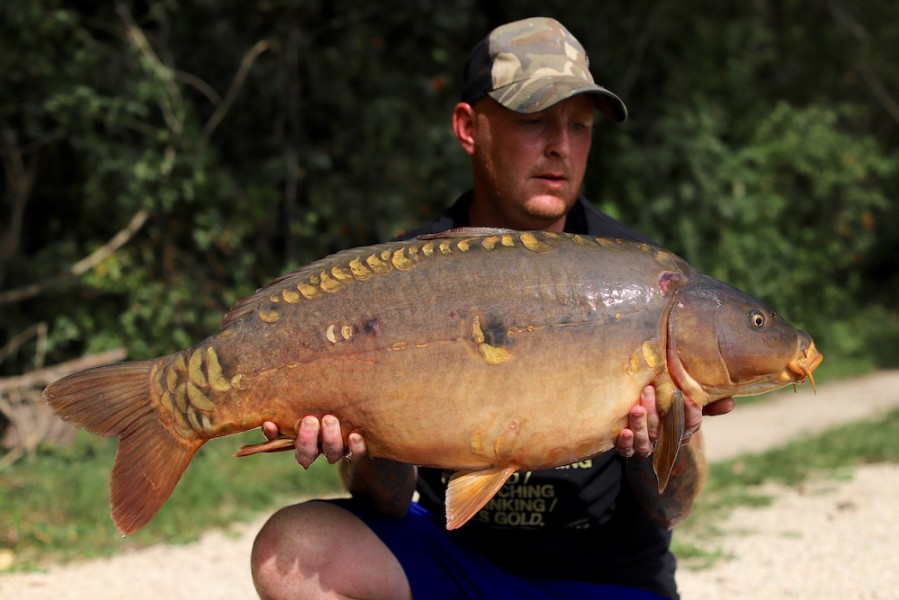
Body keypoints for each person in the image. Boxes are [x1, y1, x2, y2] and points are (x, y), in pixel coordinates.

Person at [250, 17, 733, 600]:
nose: (561, 146)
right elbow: (384, 503)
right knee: (291, 551)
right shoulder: (406, 277)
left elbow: (672, 511)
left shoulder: (638, 279)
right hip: (456, 560)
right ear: (468, 126)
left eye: (579, 126)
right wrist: (364, 438)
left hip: (602, 578)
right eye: (534, 122)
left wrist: (658, 444)